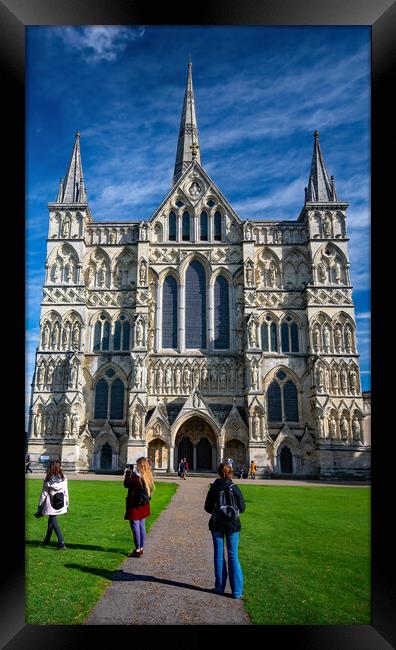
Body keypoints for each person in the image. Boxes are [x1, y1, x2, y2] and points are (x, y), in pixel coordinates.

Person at [204, 463, 246, 599]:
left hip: (216, 524)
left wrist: (218, 511)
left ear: (218, 473)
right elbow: (242, 507)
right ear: (230, 473)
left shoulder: (214, 487)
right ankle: (237, 592)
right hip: (232, 525)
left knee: (218, 554)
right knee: (233, 556)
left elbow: (207, 508)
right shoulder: (234, 487)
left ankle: (219, 587)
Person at [124, 457, 154, 558]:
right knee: (142, 526)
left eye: (137, 464)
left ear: (140, 466)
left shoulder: (136, 478)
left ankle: (137, 550)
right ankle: (141, 548)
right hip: (144, 505)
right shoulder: (148, 477)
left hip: (135, 505)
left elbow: (126, 484)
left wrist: (128, 473)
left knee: (135, 527)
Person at [35, 459, 69, 550]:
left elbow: (43, 494)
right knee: (51, 520)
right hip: (61, 502)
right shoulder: (64, 478)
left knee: (53, 521)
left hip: (51, 503)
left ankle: (61, 543)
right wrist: (67, 504)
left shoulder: (47, 480)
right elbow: (66, 492)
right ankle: (47, 540)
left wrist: (39, 507)